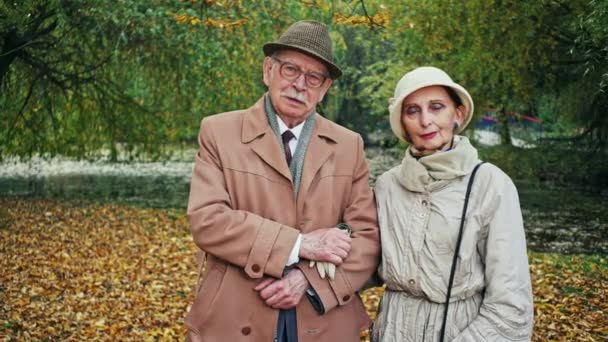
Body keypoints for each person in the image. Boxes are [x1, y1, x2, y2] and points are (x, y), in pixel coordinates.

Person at [185, 20, 380, 342]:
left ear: (325, 89)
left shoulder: (349, 145)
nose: (300, 85)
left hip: (324, 317)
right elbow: (208, 221)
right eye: (290, 69)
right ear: (268, 71)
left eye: (314, 77)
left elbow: (367, 238)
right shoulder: (219, 132)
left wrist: (308, 280)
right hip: (235, 314)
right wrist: (301, 245)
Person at [371, 66, 534, 341]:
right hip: (392, 330)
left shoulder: (491, 185)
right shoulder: (386, 186)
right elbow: (362, 258)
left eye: (436, 107)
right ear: (402, 122)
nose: (425, 121)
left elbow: (511, 304)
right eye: (412, 111)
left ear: (457, 114)